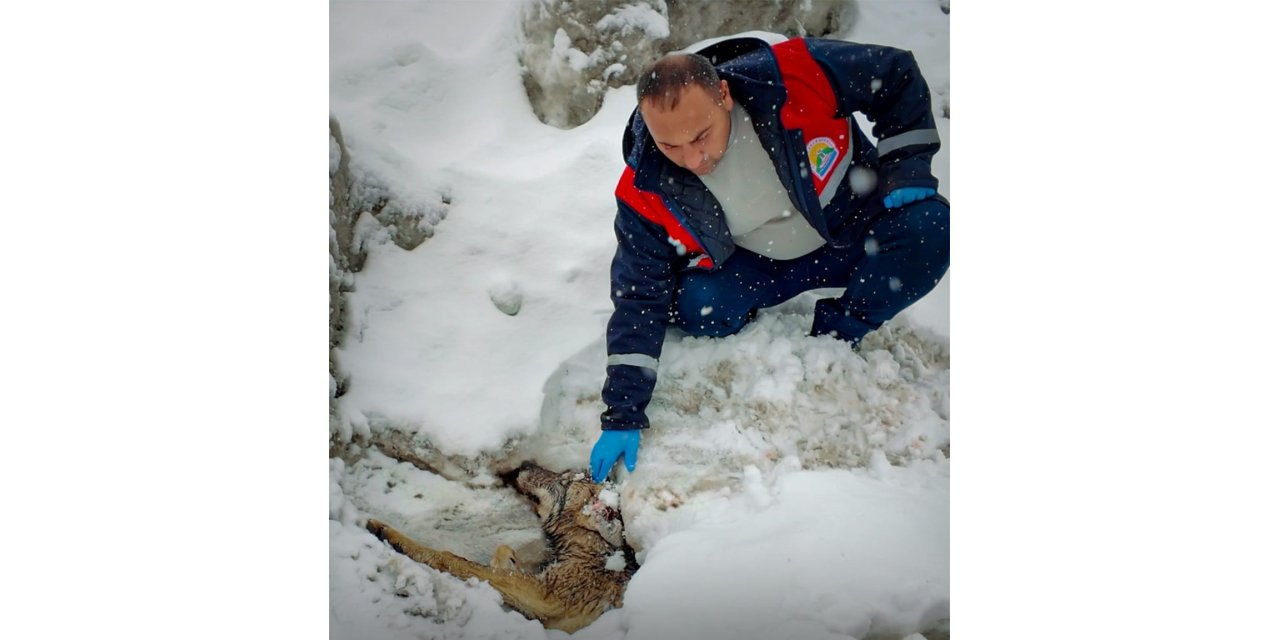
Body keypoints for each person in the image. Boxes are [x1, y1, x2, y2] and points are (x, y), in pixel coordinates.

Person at [589, 32, 950, 483]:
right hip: (764, 263)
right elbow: (638, 293)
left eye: (701, 137)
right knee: (697, 307)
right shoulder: (646, 182)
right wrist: (623, 412)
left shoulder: (793, 75)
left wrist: (908, 166)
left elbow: (895, 73)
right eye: (671, 147)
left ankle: (842, 329)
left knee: (932, 230)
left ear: (723, 93)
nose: (692, 159)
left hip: (850, 228)